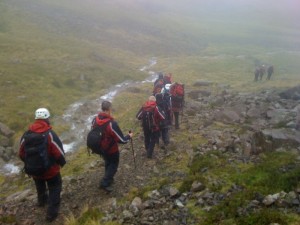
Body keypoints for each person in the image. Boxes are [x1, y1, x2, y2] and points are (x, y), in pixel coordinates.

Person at [19, 108, 66, 222]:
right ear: (47, 118)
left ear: (36, 119)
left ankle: (41, 202)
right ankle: (51, 214)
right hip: (51, 170)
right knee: (55, 188)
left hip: (34, 170)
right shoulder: (50, 134)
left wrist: (29, 163)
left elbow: (21, 153)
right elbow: (58, 152)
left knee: (40, 186)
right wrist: (62, 163)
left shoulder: (26, 134)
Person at [91, 100, 133, 192]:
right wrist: (129, 137)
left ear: (102, 108)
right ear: (109, 109)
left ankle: (108, 178)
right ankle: (104, 182)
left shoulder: (95, 119)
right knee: (113, 165)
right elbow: (121, 140)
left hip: (101, 148)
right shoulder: (111, 123)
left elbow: (94, 131)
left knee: (107, 162)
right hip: (111, 149)